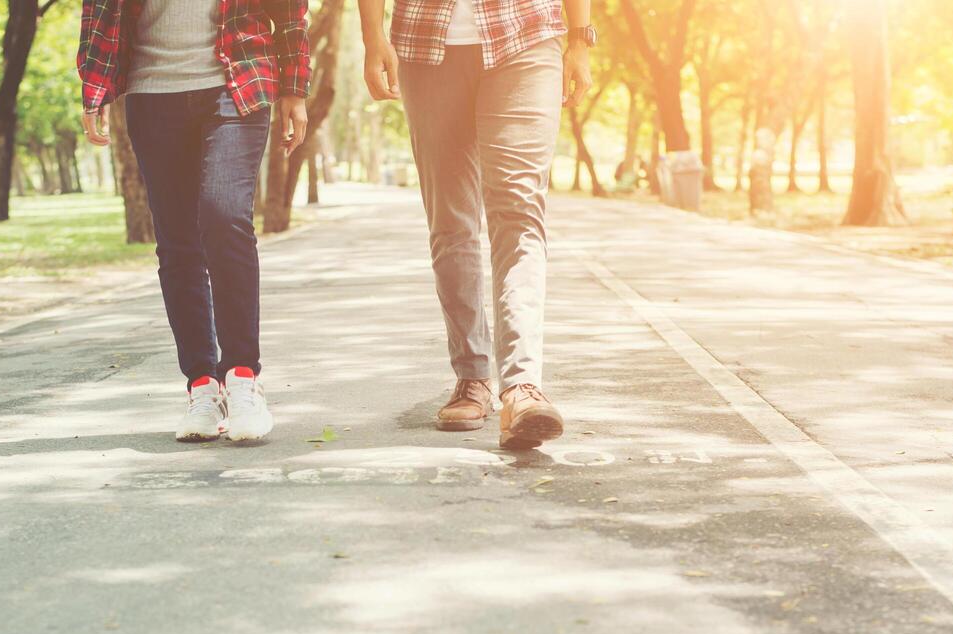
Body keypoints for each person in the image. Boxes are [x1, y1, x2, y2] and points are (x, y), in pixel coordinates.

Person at [359, 0, 593, 449]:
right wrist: (373, 37)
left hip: (524, 33)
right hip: (427, 43)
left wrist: (580, 41)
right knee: (450, 220)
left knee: (519, 210)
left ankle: (522, 385)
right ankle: (472, 377)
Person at [78, 0, 310, 441]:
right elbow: (99, 11)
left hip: (237, 80)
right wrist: (95, 88)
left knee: (225, 217)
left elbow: (291, 11)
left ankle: (243, 378)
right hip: (152, 92)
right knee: (177, 241)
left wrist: (294, 91)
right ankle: (202, 386)